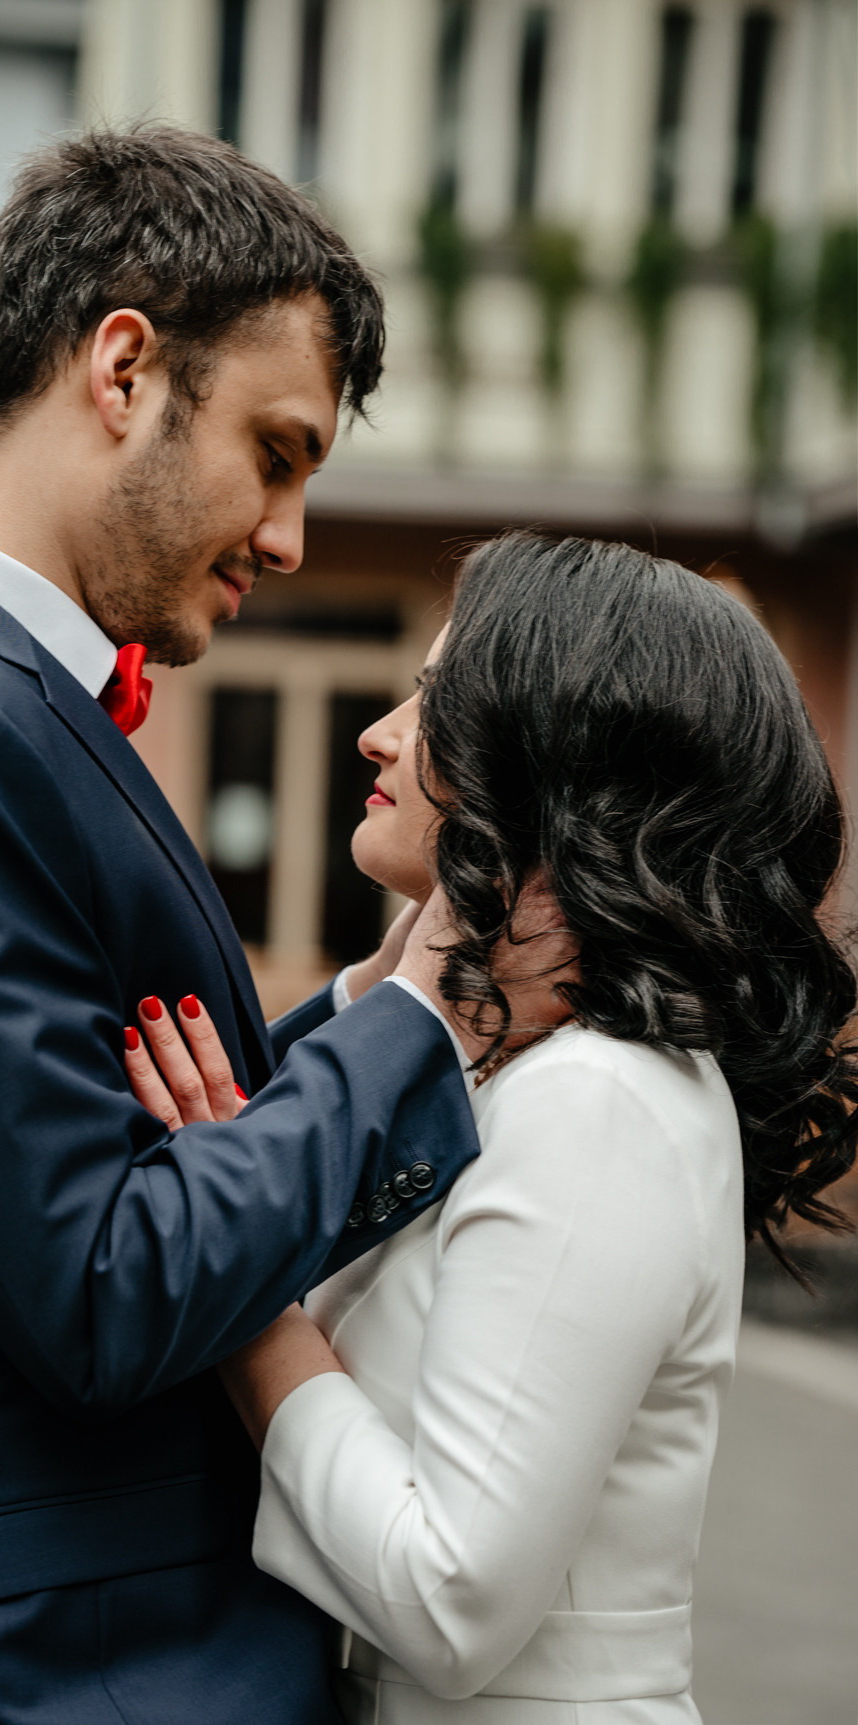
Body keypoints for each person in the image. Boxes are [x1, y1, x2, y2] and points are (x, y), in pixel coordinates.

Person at [0, 127, 516, 1725]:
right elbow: (104, 1280)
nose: (286, 538)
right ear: (124, 368)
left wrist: (358, 1000)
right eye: (276, 454)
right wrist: (419, 1020)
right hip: (63, 1676)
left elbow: (101, 1131)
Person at [126, 534, 858, 1724]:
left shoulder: (602, 1102)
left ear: (555, 768)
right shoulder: (507, 1068)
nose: (380, 733)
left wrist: (240, 1301)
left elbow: (449, 1597)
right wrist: (385, 991)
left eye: (434, 700)